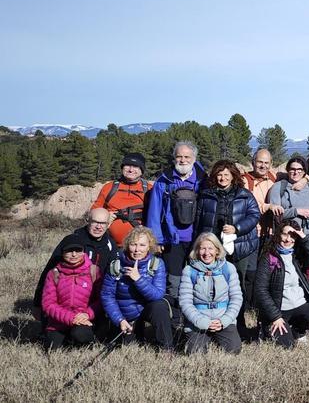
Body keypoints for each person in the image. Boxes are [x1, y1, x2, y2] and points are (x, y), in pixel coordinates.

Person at [195, 159, 261, 339]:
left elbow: (255, 215)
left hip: (239, 248)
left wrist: (237, 228)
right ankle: (214, 326)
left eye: (226, 174)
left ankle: (239, 325)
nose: (223, 178)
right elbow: (198, 221)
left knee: (237, 287)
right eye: (219, 174)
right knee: (213, 287)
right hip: (212, 250)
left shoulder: (244, 195)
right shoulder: (206, 195)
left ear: (233, 176)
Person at [144, 140, 205, 316]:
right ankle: (175, 317)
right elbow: (154, 212)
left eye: (187, 156)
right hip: (172, 240)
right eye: (179, 156)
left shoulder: (203, 180)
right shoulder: (164, 181)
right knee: (174, 280)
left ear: (194, 158)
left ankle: (195, 316)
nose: (183, 160)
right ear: (174, 158)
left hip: (197, 239)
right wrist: (156, 240)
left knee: (197, 280)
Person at [34, 209, 116, 320]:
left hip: (95, 302)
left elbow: (112, 276)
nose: (98, 227)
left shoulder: (110, 244)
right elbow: (50, 269)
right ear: (87, 220)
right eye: (95, 222)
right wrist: (37, 304)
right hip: (68, 301)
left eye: (103, 223)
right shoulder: (73, 241)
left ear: (108, 224)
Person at [255, 218, 309, 348]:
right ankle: (267, 329)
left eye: (293, 236)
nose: (288, 239)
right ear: (278, 234)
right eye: (285, 234)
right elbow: (260, 289)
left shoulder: (297, 254)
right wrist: (275, 316)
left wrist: (304, 237)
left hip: (298, 305)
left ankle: (297, 331)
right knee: (287, 345)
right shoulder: (269, 257)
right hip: (279, 310)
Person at [100, 226, 172, 350]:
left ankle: (166, 349)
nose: (137, 249)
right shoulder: (116, 265)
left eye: (142, 245)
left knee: (159, 305)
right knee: (127, 346)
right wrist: (120, 320)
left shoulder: (156, 264)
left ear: (149, 246)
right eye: (133, 244)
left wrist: (138, 279)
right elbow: (107, 296)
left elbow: (158, 294)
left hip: (146, 310)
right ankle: (135, 330)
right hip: (125, 314)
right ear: (127, 245)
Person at [179, 233, 242, 354]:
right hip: (198, 320)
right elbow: (185, 302)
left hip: (222, 318)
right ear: (197, 251)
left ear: (217, 250)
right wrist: (203, 322)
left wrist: (224, 320)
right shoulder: (189, 271)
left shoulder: (228, 268)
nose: (206, 253)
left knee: (234, 349)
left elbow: (236, 298)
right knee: (195, 353)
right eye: (202, 248)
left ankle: (217, 337)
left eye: (210, 248)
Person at [41, 233, 101, 351]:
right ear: (62, 253)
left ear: (84, 251)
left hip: (84, 320)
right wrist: (71, 318)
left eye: (78, 250)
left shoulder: (94, 271)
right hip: (59, 321)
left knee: (81, 335)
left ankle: (83, 340)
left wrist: (87, 314)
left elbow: (100, 300)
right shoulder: (54, 274)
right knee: (52, 349)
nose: (74, 254)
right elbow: (48, 304)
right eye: (69, 251)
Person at [90, 152, 151, 246]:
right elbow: (93, 212)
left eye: (135, 166)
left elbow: (157, 216)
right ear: (122, 168)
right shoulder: (109, 187)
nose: (131, 170)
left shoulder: (149, 190)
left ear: (141, 170)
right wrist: (105, 216)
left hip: (138, 248)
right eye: (127, 165)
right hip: (109, 245)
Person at [268, 157, 309, 236]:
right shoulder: (279, 187)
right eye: (292, 169)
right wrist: (296, 211)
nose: (296, 172)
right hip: (286, 236)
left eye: (299, 169)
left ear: (304, 171)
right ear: (287, 170)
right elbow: (274, 214)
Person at [244, 149, 277, 216]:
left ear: (271, 164)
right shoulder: (245, 181)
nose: (263, 166)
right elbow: (247, 204)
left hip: (272, 225)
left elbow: (296, 175)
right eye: (260, 162)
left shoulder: (274, 177)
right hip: (253, 224)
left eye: (266, 163)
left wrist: (304, 180)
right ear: (253, 163)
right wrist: (267, 207)